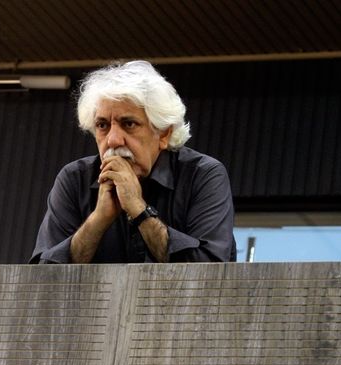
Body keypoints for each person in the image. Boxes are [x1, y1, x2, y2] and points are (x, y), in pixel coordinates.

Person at [30, 60, 236, 264]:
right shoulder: (74, 179)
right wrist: (98, 219)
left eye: (129, 124)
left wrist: (139, 209)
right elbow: (44, 274)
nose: (113, 140)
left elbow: (210, 270)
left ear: (164, 134)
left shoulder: (202, 175)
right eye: (102, 125)